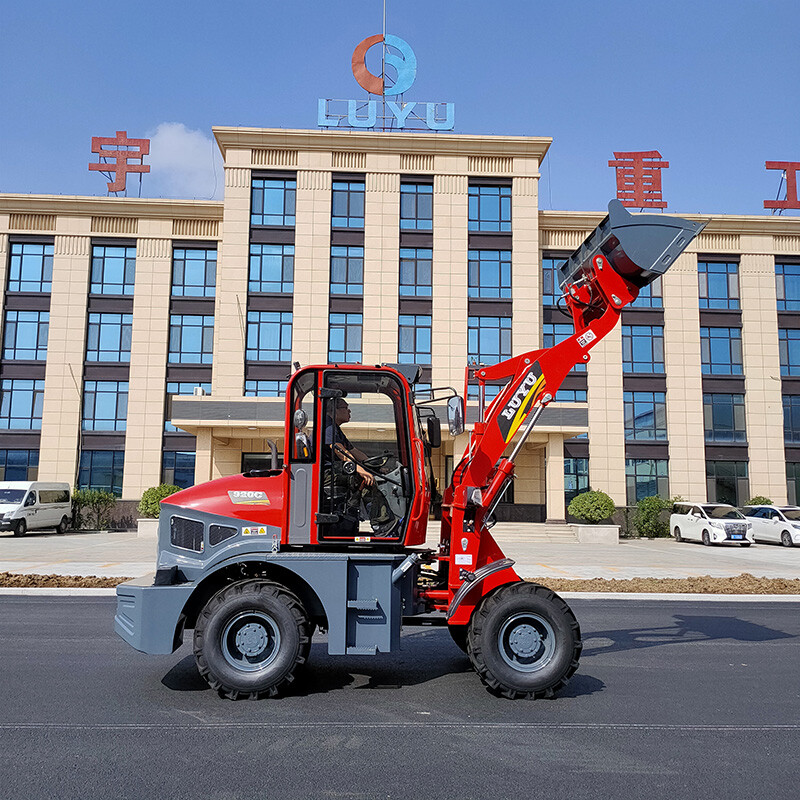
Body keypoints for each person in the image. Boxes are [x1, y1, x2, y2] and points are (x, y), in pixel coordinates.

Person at [324, 398, 397, 535]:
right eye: (345, 407)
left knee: (366, 477)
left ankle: (350, 516)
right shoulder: (327, 426)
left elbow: (354, 451)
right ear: (334, 410)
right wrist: (361, 471)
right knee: (366, 481)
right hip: (326, 474)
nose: (349, 410)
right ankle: (381, 526)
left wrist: (376, 467)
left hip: (333, 472)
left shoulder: (335, 429)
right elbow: (340, 452)